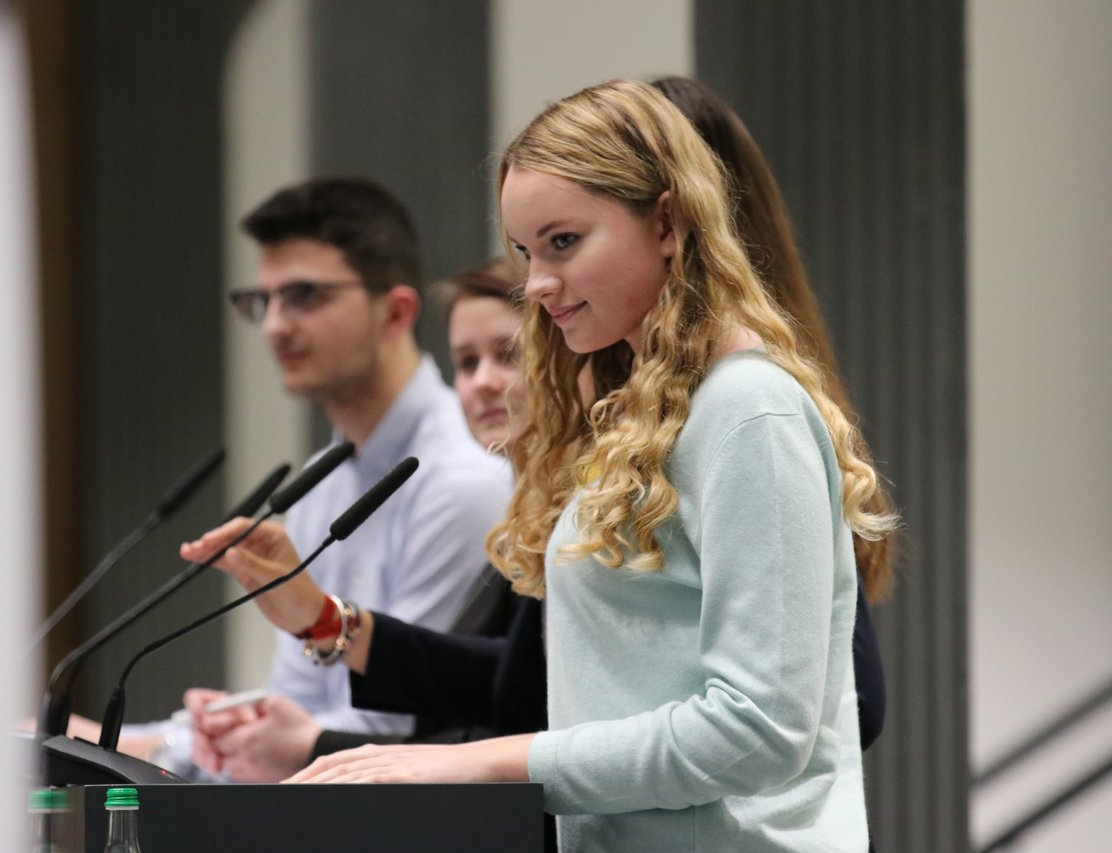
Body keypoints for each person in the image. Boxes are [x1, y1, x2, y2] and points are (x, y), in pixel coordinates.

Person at [182, 77, 893, 789]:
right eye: (527, 252)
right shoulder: (630, 422)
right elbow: (543, 684)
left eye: (564, 242)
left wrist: (471, 760)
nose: (538, 284)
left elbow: (763, 729)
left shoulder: (747, 409)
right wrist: (329, 623)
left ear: (670, 222)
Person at [97, 177, 512, 771]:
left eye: (305, 296)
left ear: (395, 312)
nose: (275, 326)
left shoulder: (464, 477)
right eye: (264, 302)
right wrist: (209, 732)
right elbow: (299, 703)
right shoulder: (322, 477)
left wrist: (163, 749)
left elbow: (395, 720)